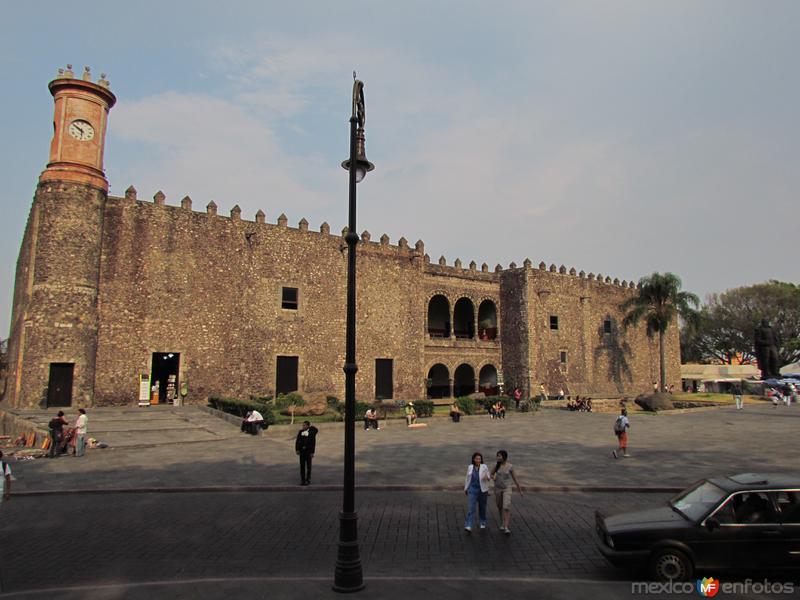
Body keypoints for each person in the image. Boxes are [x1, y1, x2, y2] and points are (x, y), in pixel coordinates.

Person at [491, 449, 523, 534]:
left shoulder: (510, 466)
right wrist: (493, 477)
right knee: (500, 506)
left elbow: (515, 478)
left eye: (499, 456)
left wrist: (519, 489)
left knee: (506, 506)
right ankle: (502, 522)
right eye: (497, 456)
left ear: (504, 457)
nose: (498, 457)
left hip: (507, 488)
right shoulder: (496, 465)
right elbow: (491, 474)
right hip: (498, 488)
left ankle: (506, 526)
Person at [463, 452, 491, 533]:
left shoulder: (484, 466)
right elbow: (467, 478)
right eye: (476, 459)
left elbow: (489, 475)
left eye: (479, 459)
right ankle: (468, 525)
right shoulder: (470, 467)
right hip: (473, 490)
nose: (478, 460)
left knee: (482, 507)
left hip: (482, 490)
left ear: (481, 459)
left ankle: (482, 521)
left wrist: (487, 476)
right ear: (473, 459)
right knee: (471, 508)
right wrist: (466, 488)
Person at [295, 421, 318, 486]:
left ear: (308, 426)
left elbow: (313, 443)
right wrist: (297, 449)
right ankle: (302, 480)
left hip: (308, 452)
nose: (303, 426)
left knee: (308, 466)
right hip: (302, 452)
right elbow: (297, 441)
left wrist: (312, 452)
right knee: (302, 466)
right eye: (303, 425)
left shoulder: (312, 432)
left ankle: (308, 479)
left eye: (304, 425)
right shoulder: (300, 432)